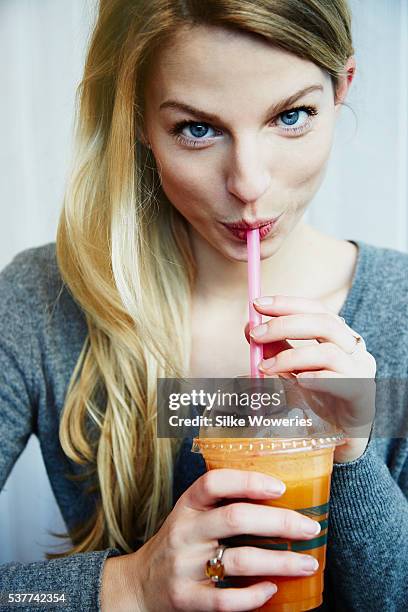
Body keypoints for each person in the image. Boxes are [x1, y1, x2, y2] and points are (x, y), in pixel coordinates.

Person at [0, 0, 407, 610]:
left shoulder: (399, 307)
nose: (248, 183)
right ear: (136, 118)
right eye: (198, 128)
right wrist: (127, 585)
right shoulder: (39, 301)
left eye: (292, 116)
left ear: (343, 86)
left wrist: (352, 455)